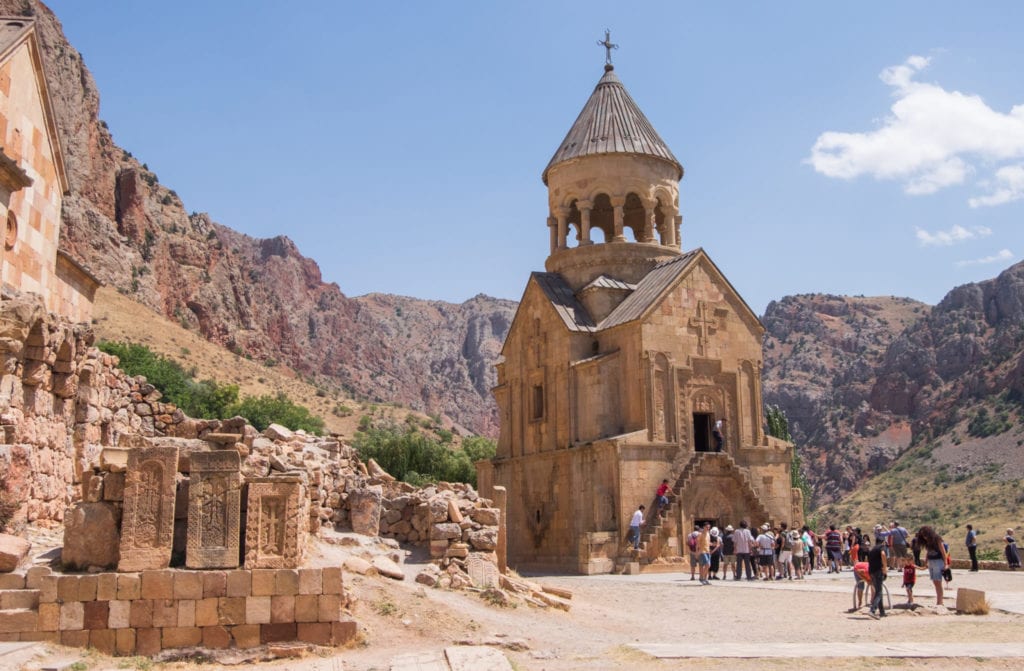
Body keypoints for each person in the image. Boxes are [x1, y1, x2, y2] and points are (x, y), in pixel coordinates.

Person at [915, 525, 950, 606]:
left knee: (938, 581)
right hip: (931, 561)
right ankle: (939, 601)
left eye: (925, 535)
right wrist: (926, 561)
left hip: (938, 561)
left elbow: (943, 551)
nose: (924, 537)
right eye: (923, 535)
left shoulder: (937, 538)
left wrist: (946, 564)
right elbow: (928, 551)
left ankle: (940, 602)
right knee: (935, 581)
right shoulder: (927, 541)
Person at [867, 527, 888, 618]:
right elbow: (883, 554)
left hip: (871, 571)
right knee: (879, 592)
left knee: (879, 590)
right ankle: (872, 610)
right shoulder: (881, 547)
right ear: (883, 542)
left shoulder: (872, 549)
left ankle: (882, 611)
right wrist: (885, 568)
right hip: (878, 571)